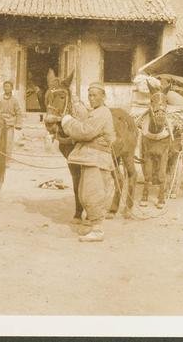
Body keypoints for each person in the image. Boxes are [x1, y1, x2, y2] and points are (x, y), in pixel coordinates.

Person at [59, 82, 116, 243]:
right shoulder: (95, 112)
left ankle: (97, 230)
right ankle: (94, 226)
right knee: (85, 193)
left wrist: (68, 122)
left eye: (94, 95)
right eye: (89, 95)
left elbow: (86, 131)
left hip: (97, 159)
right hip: (90, 157)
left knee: (92, 193)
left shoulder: (102, 113)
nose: (91, 98)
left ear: (103, 97)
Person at [0, 81, 23, 165]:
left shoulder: (15, 100)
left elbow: (18, 112)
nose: (6, 88)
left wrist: (18, 123)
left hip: (10, 124)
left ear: (12, 88)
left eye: (8, 86)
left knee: (8, 143)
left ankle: (7, 161)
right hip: (0, 124)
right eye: (5, 86)